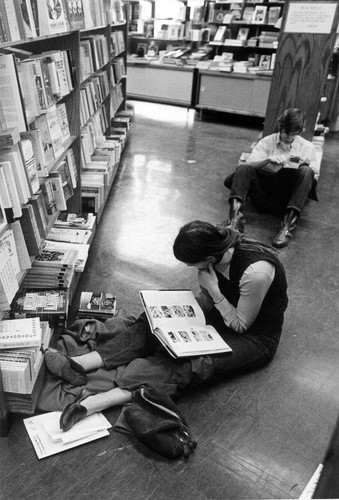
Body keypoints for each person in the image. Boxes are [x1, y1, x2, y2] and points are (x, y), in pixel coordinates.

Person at [44, 221, 288, 432]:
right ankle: (81, 365)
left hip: (254, 336)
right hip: (220, 312)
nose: (194, 271)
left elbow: (240, 325)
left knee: (193, 363)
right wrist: (176, 313)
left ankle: (95, 403)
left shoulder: (256, 272)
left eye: (195, 266)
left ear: (210, 259)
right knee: (154, 320)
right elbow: (208, 299)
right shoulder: (214, 250)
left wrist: (213, 290)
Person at [224, 108, 319, 247]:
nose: (290, 138)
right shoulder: (267, 142)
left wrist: (300, 165)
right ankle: (234, 220)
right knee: (244, 168)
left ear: (300, 131)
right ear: (281, 127)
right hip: (263, 195)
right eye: (287, 133)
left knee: (306, 171)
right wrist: (268, 160)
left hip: (286, 200)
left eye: (294, 135)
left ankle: (287, 227)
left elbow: (314, 175)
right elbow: (249, 164)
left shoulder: (307, 147)